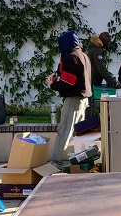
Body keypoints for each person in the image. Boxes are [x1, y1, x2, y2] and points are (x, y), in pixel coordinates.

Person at [48, 31, 92, 164]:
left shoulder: (70, 57)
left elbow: (69, 81)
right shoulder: (83, 55)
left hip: (73, 98)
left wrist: (53, 84)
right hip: (83, 98)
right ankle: (79, 159)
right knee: (78, 131)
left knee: (65, 129)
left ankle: (56, 160)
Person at [87, 31, 117, 115]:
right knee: (90, 108)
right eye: (108, 37)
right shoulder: (97, 50)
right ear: (101, 39)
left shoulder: (94, 49)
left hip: (91, 82)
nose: (109, 39)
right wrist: (115, 83)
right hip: (91, 83)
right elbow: (101, 69)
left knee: (91, 107)